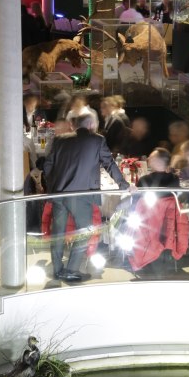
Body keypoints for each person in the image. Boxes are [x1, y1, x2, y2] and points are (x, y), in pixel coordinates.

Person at [44, 115, 134, 282]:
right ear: (92, 124)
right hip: (81, 195)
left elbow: (48, 165)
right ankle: (71, 269)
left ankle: (58, 269)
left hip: (58, 194)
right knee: (85, 233)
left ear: (75, 125)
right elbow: (109, 163)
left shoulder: (59, 140)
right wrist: (123, 184)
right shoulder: (97, 140)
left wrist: (53, 188)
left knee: (58, 233)